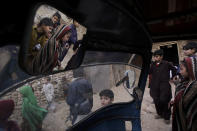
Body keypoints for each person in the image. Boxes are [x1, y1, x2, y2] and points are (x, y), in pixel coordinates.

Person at [149, 49, 177, 124]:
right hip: (155, 86)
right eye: (154, 57)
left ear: (161, 56)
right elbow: (149, 72)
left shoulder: (167, 64)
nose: (155, 58)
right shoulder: (153, 65)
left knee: (165, 101)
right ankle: (160, 114)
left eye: (157, 56)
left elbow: (174, 69)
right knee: (156, 100)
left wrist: (173, 77)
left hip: (164, 86)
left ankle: (167, 117)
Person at [171, 57, 197, 131]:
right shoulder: (185, 82)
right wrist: (177, 84)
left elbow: (185, 103)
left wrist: (176, 101)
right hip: (181, 120)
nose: (180, 71)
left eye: (182, 69)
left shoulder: (194, 87)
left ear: (190, 70)